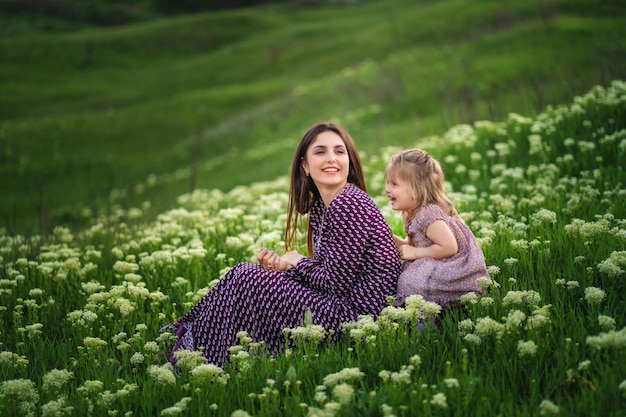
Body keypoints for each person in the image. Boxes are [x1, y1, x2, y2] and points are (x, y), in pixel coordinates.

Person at [161, 122, 401, 367]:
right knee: (245, 274)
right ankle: (195, 345)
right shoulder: (322, 207)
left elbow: (334, 285)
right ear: (305, 166)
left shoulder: (348, 204)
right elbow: (329, 274)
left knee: (247, 278)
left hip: (359, 315)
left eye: (339, 151)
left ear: (349, 161)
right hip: (339, 302)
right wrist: (287, 269)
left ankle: (194, 352)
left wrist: (297, 262)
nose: (331, 159)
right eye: (320, 152)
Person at [384, 148, 489, 309]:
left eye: (394, 184)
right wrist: (390, 237)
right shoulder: (411, 213)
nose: (387, 189)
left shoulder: (428, 213)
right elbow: (414, 246)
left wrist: (416, 253)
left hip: (454, 266)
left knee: (409, 281)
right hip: (435, 260)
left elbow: (449, 247)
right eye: (388, 183)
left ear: (417, 190)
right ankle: (420, 313)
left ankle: (424, 320)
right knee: (404, 276)